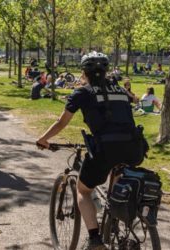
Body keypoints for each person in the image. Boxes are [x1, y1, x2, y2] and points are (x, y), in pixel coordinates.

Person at [36, 52, 144, 250]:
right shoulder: (120, 90)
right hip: (133, 148)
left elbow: (61, 123)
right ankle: (115, 225)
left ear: (83, 72)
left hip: (105, 149)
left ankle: (95, 239)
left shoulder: (82, 93)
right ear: (106, 72)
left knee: (83, 190)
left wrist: (44, 139)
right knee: (116, 184)